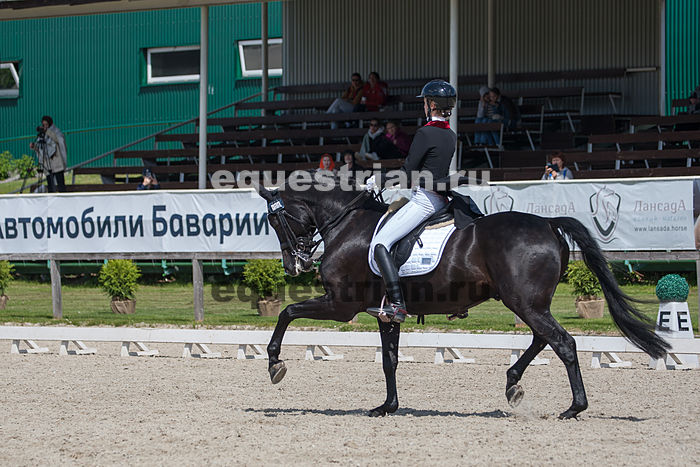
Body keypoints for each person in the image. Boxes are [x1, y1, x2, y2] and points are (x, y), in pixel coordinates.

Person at [366, 79, 458, 323]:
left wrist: (380, 180)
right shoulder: (450, 135)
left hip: (425, 200)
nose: (424, 106)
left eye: (425, 102)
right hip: (440, 199)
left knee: (380, 244)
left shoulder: (425, 133)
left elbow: (408, 173)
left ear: (432, 104)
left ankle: (397, 305)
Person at [29, 115, 67, 192]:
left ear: (50, 124)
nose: (45, 126)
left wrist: (47, 131)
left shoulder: (56, 131)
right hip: (47, 163)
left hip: (56, 161)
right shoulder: (42, 135)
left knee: (61, 184)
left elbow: (58, 139)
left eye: (46, 124)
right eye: (44, 125)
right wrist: (34, 146)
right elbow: (41, 148)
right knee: (50, 184)